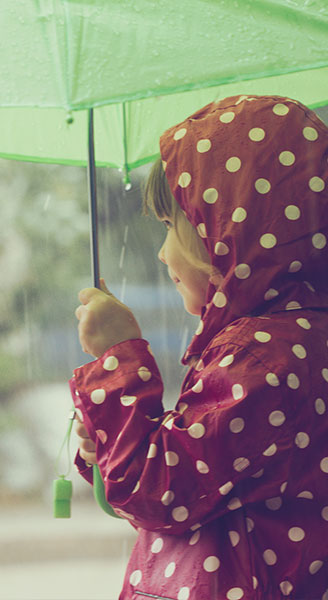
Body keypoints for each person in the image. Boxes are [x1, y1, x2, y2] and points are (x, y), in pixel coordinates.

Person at [71, 94, 328, 600]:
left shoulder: (263, 357)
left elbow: (161, 493)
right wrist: (108, 443)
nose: (164, 253)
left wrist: (117, 361)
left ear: (236, 229)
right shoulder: (293, 340)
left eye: (174, 225)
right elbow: (200, 487)